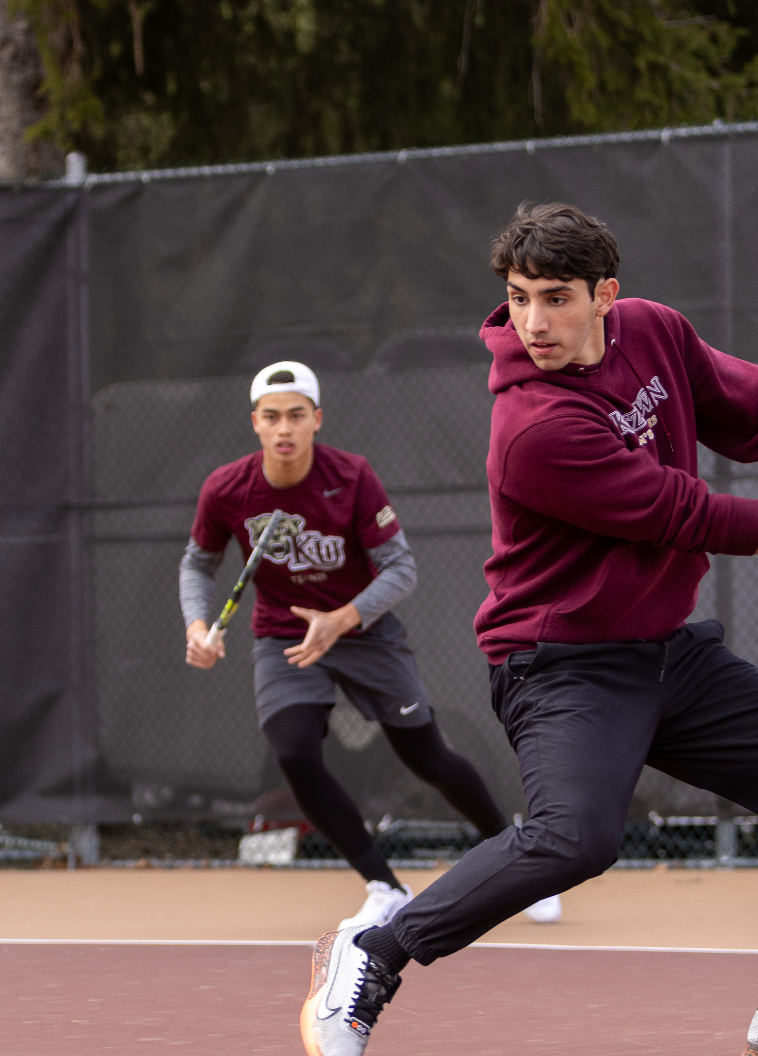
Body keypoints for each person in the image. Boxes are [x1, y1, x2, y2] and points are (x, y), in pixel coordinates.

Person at [299, 203, 758, 1056]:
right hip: (561, 665)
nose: (533, 321)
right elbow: (691, 515)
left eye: (556, 298)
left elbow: (753, 410)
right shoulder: (534, 429)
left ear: (606, 295)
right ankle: (376, 950)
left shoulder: (655, 333)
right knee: (576, 837)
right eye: (519, 297)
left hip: (665, 650)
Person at [183, 361, 561, 930]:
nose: (284, 428)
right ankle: (384, 885)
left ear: (316, 420)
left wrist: (342, 618)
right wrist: (196, 624)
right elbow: (199, 563)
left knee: (426, 757)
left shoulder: (352, 477)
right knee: (293, 754)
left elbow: (400, 568)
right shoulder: (226, 488)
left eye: (295, 415)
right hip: (284, 635)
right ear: (255, 424)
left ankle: (522, 864)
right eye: (271, 417)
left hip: (366, 633)